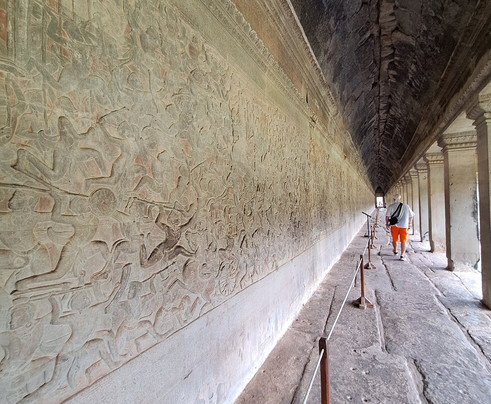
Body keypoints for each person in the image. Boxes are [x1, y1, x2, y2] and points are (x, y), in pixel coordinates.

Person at [385, 195, 415, 261]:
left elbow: (387, 216)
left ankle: (395, 250)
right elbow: (411, 216)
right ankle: (402, 255)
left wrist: (387, 224)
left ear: (394, 199)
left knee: (395, 239)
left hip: (394, 225)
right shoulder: (406, 206)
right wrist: (409, 224)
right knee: (403, 240)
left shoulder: (391, 206)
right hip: (404, 226)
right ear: (400, 199)